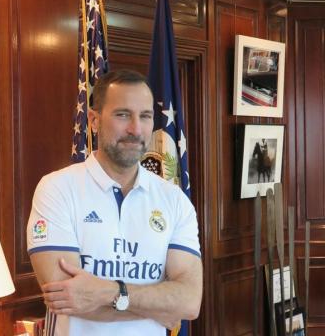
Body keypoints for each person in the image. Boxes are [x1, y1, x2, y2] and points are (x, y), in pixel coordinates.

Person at [26, 69, 202, 335]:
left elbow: (189, 302)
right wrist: (161, 304)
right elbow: (69, 300)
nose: (135, 129)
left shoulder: (174, 199)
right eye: (122, 115)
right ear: (94, 121)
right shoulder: (57, 189)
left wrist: (109, 292)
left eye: (145, 116)